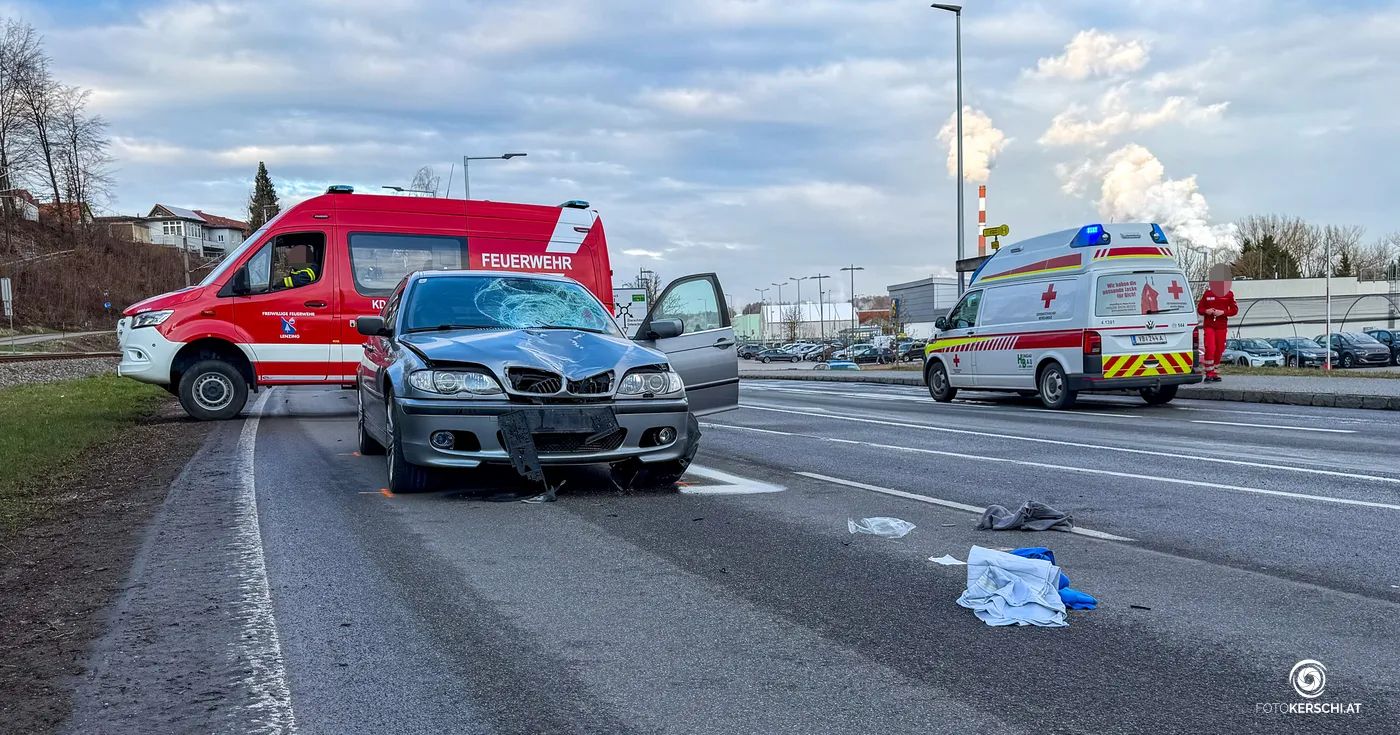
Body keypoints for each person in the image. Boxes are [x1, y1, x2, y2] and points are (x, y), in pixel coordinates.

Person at [1196, 264, 1238, 382]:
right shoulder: (1207, 294)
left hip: (1221, 326)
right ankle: (1208, 373)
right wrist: (1206, 311)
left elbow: (1234, 310)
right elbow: (1200, 309)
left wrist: (1223, 312)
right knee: (1210, 348)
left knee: (1219, 349)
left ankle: (1214, 372)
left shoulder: (1229, 294)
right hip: (1209, 326)